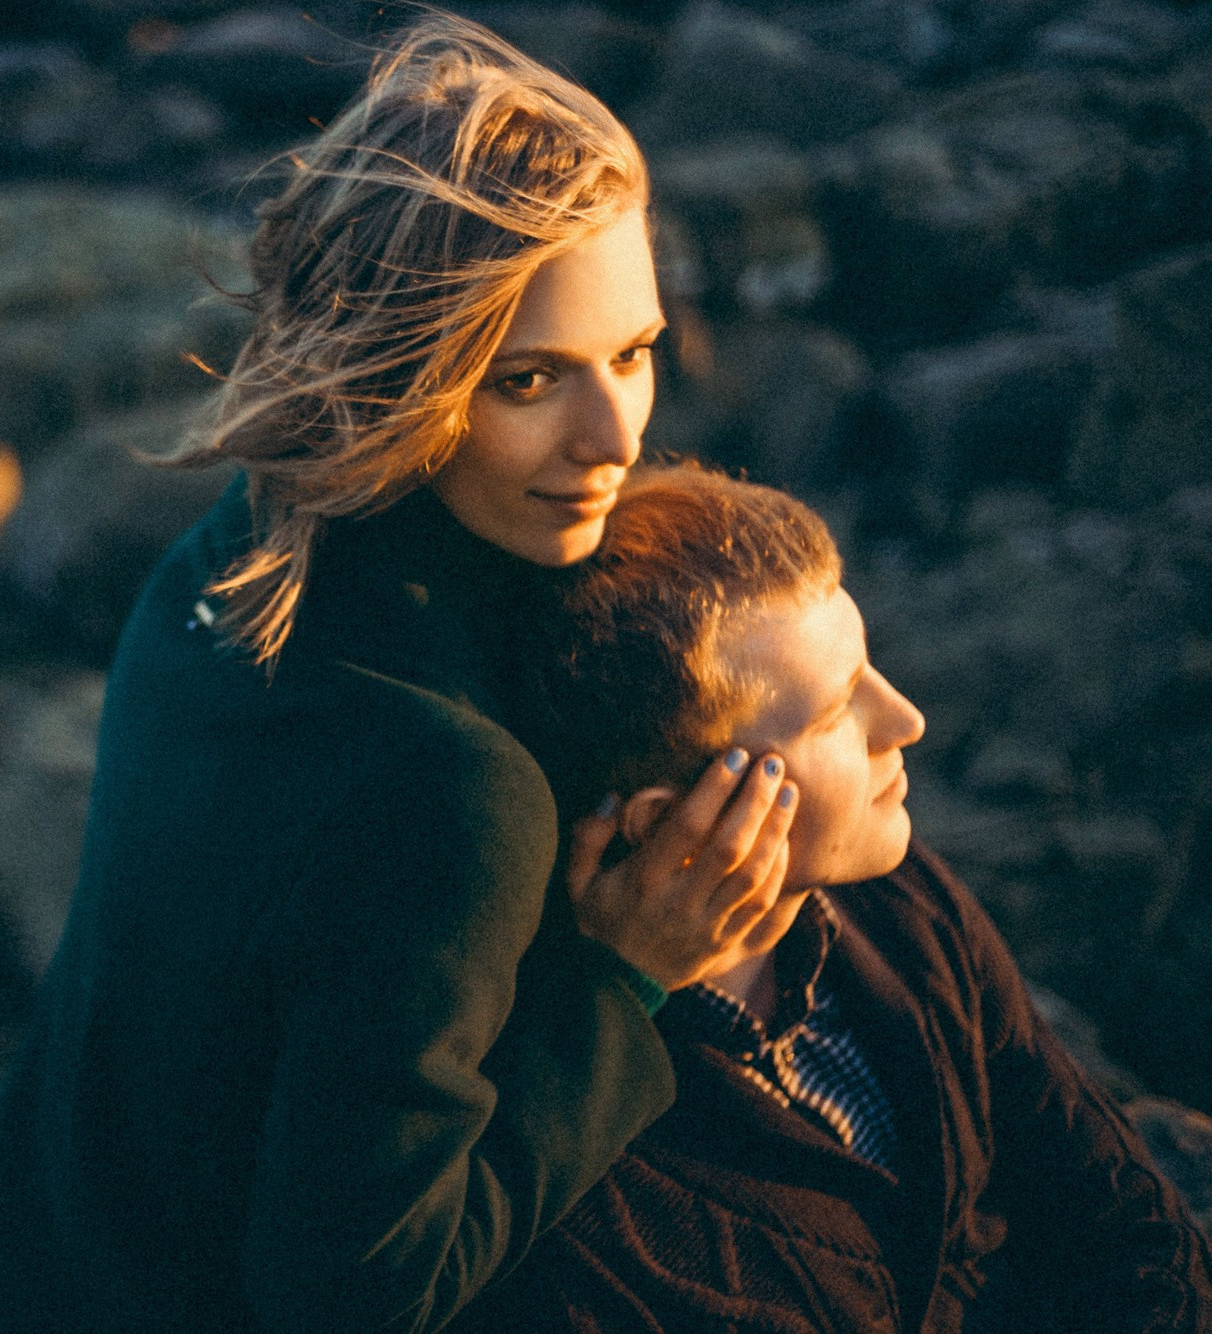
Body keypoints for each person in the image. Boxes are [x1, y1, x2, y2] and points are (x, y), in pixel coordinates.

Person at [0, 15, 807, 1333]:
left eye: (633, 352)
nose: (616, 431)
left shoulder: (227, 558)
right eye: (530, 379)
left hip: (16, 1263)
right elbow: (355, 1295)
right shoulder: (449, 784)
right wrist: (623, 983)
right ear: (408, 369)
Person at [445, 463, 1212, 1332]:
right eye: (836, 709)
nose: (905, 720)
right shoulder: (589, 1176)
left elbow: (1113, 1202)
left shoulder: (898, 901)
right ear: (678, 820)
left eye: (869, 667)